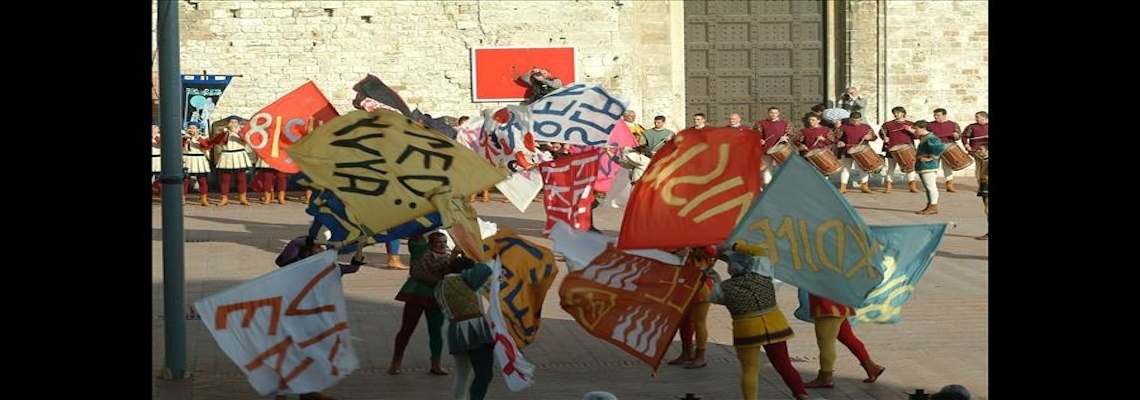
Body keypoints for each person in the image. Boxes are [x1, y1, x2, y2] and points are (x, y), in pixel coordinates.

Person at [705, 249, 811, 400]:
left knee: (750, 369)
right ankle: (801, 394)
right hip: (775, 325)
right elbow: (762, 253)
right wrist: (738, 246)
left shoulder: (724, 288)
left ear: (731, 268)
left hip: (747, 330)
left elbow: (714, 298)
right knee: (784, 365)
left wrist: (715, 278)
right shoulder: (765, 278)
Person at [273, 235, 368, 400]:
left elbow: (353, 268)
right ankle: (282, 393)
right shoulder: (292, 265)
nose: (323, 253)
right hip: (293, 318)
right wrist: (331, 243)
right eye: (319, 251)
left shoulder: (326, 269)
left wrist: (360, 247)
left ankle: (308, 392)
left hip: (315, 317)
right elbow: (296, 242)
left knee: (314, 354)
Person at [388, 231, 460, 376]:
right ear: (430, 243)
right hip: (416, 294)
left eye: (445, 242)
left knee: (436, 331)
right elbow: (416, 233)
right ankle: (396, 361)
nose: (442, 245)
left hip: (435, 296)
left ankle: (436, 364)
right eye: (439, 242)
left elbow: (449, 270)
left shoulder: (449, 258)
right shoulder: (420, 251)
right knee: (407, 329)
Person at [434, 256, 497, 400]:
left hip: (455, 331)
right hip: (475, 329)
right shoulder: (465, 280)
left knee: (462, 375)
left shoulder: (440, 286)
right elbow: (485, 269)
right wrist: (496, 257)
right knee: (484, 374)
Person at [665, 246, 715, 369]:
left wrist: (693, 250)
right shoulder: (676, 240)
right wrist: (675, 252)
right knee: (684, 321)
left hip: (700, 288)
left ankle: (700, 356)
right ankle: (686, 352)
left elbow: (713, 251)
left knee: (699, 322)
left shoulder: (705, 242)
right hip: (682, 286)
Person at [211, 116, 253, 206]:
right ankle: (224, 198)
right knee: (225, 179)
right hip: (227, 155)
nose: (233, 124)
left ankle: (243, 198)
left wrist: (237, 132)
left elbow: (246, 140)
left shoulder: (242, 132)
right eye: (231, 122)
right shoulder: (224, 132)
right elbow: (216, 141)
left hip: (239, 156)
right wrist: (225, 133)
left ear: (238, 124)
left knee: (241, 178)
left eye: (235, 122)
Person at [832, 112, 878, 194]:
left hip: (862, 151)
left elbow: (874, 137)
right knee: (845, 169)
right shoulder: (843, 127)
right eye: (853, 121)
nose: (856, 122)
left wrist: (870, 137)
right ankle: (843, 187)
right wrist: (839, 142)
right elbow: (834, 137)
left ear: (861, 119)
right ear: (850, 120)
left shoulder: (866, 127)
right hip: (847, 150)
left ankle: (864, 187)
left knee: (863, 169)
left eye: (858, 121)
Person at [878, 106, 920, 193]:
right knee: (891, 168)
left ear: (903, 113)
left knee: (910, 167)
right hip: (892, 149)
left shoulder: (911, 124)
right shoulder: (887, 124)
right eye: (894, 112)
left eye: (897, 112)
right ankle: (888, 186)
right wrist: (884, 138)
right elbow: (882, 133)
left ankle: (912, 186)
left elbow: (917, 136)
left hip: (907, 149)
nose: (895, 114)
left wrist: (910, 130)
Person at [913, 120, 948, 214]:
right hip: (923, 165)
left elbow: (940, 148)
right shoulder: (925, 137)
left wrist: (930, 157)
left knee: (931, 186)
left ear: (923, 128)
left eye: (917, 129)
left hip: (928, 166)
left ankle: (933, 206)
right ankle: (930, 205)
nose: (915, 131)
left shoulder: (931, 138)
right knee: (928, 187)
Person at [756, 107, 794, 186]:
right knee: (767, 169)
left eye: (775, 113)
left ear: (778, 113)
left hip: (781, 150)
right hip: (767, 149)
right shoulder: (761, 123)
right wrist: (760, 140)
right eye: (771, 112)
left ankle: (784, 185)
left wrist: (786, 137)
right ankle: (767, 186)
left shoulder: (785, 123)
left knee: (783, 168)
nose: (773, 114)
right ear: (768, 113)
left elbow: (791, 134)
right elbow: (755, 134)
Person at [928, 108, 962, 192]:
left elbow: (958, 136)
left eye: (938, 115)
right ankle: (931, 186)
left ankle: (949, 185)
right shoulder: (929, 125)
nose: (936, 117)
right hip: (934, 148)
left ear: (944, 115)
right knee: (933, 167)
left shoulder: (953, 124)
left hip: (948, 147)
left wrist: (956, 135)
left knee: (947, 167)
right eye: (935, 115)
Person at [182, 121, 214, 206]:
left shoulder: (203, 137)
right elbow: (180, 146)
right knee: (185, 180)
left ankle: (204, 198)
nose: (191, 130)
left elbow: (206, 146)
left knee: (202, 180)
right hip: (188, 159)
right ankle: (182, 197)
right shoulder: (185, 138)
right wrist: (185, 138)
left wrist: (197, 138)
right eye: (190, 128)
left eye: (194, 128)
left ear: (198, 129)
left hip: (199, 160)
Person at [152, 120, 163, 198]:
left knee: (159, 177)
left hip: (158, 159)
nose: (152, 128)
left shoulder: (160, 136)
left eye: (155, 127)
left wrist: (154, 136)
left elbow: (161, 143)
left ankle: (160, 193)